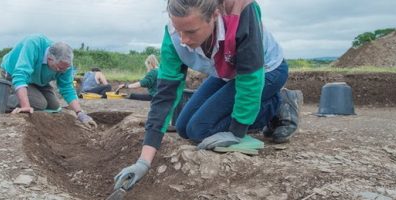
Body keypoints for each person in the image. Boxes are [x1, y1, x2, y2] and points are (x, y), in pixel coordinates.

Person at [113, 0, 300, 190]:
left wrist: (237, 132)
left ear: (214, 16)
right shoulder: (173, 35)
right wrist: (143, 162)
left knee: (199, 129)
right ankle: (265, 104)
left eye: (191, 32)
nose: (183, 40)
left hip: (267, 71)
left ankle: (278, 103)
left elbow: (250, 77)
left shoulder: (242, 10)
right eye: (180, 31)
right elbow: (164, 96)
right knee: (184, 127)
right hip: (227, 73)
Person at [0, 34, 97, 128]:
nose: (62, 71)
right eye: (59, 68)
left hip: (38, 80)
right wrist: (25, 106)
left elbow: (67, 87)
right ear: (49, 59)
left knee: (53, 106)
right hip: (12, 73)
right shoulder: (33, 44)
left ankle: (29, 95)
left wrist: (80, 113)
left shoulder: (65, 65)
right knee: (39, 103)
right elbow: (20, 75)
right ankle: (1, 100)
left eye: (65, 69)